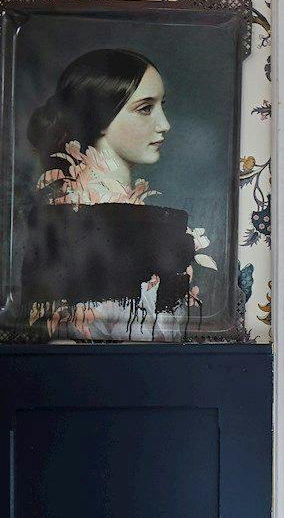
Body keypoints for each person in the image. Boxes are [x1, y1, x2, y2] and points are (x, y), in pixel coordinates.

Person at [19, 48, 214, 340]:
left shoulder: (152, 222)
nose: (165, 124)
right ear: (99, 116)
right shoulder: (63, 222)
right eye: (145, 108)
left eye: (162, 105)